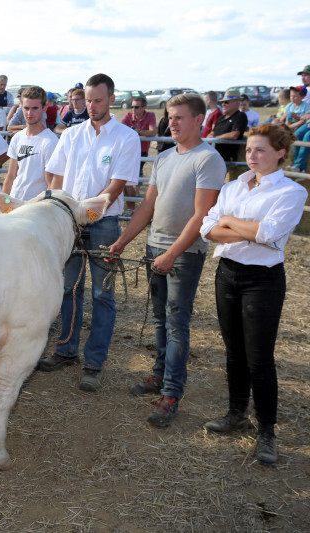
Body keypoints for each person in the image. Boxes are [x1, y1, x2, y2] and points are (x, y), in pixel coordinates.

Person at [107, 93, 226, 427]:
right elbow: (147, 206)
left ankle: (172, 392)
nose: (171, 123)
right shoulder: (165, 158)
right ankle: (159, 375)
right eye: (169, 117)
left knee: (176, 322)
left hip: (183, 254)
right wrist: (122, 241)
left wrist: (172, 254)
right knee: (160, 319)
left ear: (198, 119)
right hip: (155, 247)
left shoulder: (208, 160)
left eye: (179, 117)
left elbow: (202, 215)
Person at [200, 124, 307, 466]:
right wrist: (240, 232)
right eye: (249, 150)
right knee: (234, 351)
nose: (252, 156)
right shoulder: (234, 186)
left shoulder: (290, 192)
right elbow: (206, 228)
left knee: (259, 358)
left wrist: (229, 223)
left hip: (262, 280)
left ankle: (267, 430)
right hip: (228, 274)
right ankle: (236, 413)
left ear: (279, 153)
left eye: (260, 150)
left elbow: (269, 234)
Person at [38, 73, 141, 392]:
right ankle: (66, 350)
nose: (92, 106)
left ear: (111, 99)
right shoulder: (71, 135)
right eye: (88, 100)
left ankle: (94, 362)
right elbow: (53, 174)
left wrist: (85, 212)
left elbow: (116, 185)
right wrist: (59, 208)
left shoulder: (125, 137)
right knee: (68, 287)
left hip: (103, 223)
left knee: (101, 293)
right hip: (69, 221)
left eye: (98, 100)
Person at [1, 85, 59, 200]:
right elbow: (11, 176)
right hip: (13, 203)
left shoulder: (50, 141)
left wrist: (41, 210)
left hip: (34, 209)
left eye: (35, 108)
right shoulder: (17, 137)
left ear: (44, 108)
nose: (29, 113)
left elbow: (51, 185)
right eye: (26, 108)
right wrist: (4, 202)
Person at [121, 95, 157, 211]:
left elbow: (153, 132)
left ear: (144, 107)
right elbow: (120, 131)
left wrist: (138, 132)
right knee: (126, 182)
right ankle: (129, 208)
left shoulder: (150, 115)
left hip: (142, 152)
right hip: (127, 152)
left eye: (136, 107)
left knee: (129, 182)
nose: (133, 109)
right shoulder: (128, 116)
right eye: (132, 107)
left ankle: (131, 209)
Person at [208, 90, 248, 167]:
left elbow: (234, 135)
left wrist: (215, 139)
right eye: (222, 102)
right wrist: (210, 138)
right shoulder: (221, 118)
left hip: (225, 158)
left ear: (237, 103)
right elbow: (212, 132)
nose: (223, 104)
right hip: (212, 154)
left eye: (226, 102)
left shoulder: (240, 116)